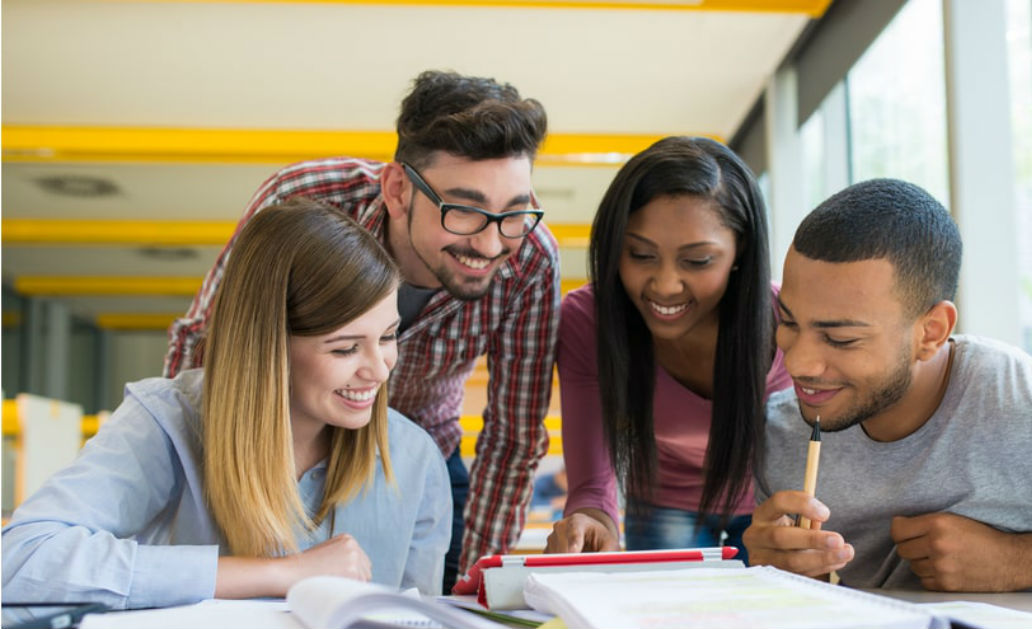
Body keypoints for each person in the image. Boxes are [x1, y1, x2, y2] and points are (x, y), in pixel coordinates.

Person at [163, 70, 559, 593]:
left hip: (421, 460)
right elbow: (208, 342)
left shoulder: (529, 258)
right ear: (398, 190)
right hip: (275, 453)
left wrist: (478, 582)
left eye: (512, 213)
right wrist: (185, 470)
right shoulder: (307, 200)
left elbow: (513, 436)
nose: (490, 244)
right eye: (464, 212)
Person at [744, 178, 1032, 591]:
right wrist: (778, 579)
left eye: (840, 338)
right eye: (788, 322)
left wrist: (1030, 561)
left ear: (932, 332)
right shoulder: (780, 435)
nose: (799, 362)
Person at [2, 201, 452, 609]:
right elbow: (20, 560)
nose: (379, 369)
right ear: (268, 348)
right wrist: (279, 574)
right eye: (344, 349)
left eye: (388, 337)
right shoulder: (168, 421)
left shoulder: (414, 458)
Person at [544, 137, 790, 560]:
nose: (665, 285)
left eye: (697, 261)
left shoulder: (788, 320)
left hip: (774, 506)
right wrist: (593, 521)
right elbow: (590, 483)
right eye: (640, 254)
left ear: (740, 249)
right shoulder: (588, 320)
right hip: (663, 503)